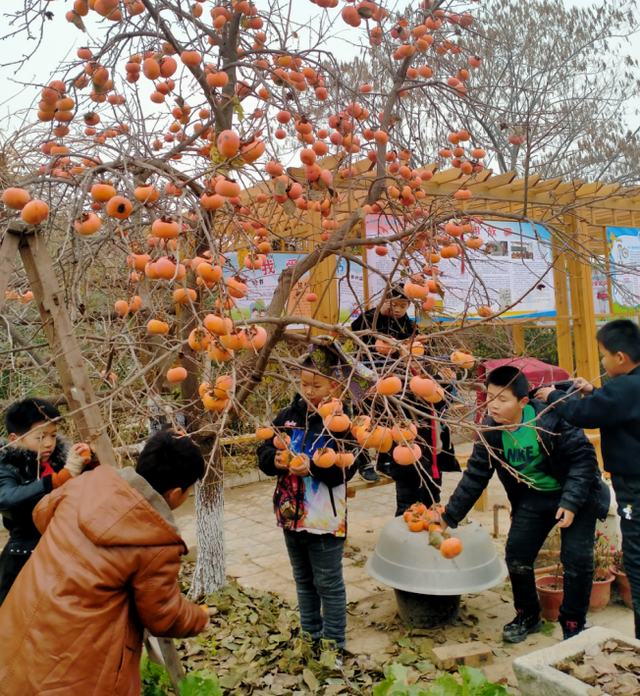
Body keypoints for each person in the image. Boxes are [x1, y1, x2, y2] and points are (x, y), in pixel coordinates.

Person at [0, 429, 214, 695]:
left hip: (19, 629)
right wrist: (199, 617)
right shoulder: (157, 542)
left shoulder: (87, 483)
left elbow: (41, 514)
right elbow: (162, 615)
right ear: (175, 493)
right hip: (75, 669)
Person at [440, 366, 605, 642]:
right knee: (517, 554)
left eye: (503, 400)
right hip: (535, 497)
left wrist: (572, 501)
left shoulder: (550, 419)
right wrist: (448, 516)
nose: (494, 405)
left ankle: (573, 624)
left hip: (578, 495)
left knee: (576, 561)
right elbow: (476, 475)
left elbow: (584, 460)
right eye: (490, 397)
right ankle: (528, 615)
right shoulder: (491, 431)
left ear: (522, 402)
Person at [257, 347, 361, 667]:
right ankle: (310, 636)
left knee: (328, 583)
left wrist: (314, 469)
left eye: (317, 386)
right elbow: (263, 450)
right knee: (302, 580)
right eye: (304, 384)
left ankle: (333, 643)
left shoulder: (340, 423)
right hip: (290, 515)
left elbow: (348, 467)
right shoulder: (287, 416)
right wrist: (273, 460)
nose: (309, 391)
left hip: (324, 519)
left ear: (334, 386)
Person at [536, 319, 640, 638]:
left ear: (620, 357)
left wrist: (555, 396)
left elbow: (586, 415)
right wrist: (593, 391)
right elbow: (614, 406)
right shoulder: (629, 386)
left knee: (636, 552)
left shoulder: (625, 387)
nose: (602, 362)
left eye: (603, 355)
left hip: (634, 488)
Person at [0, 397, 91, 605]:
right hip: (24, 555)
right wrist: (59, 480)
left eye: (52, 435)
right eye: (40, 437)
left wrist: (90, 464)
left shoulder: (59, 462)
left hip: (66, 552)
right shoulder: (7, 466)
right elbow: (6, 500)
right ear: (15, 438)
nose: (49, 443)